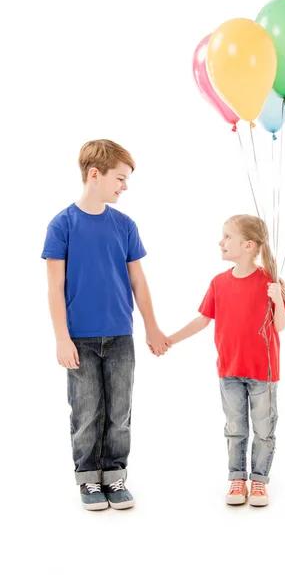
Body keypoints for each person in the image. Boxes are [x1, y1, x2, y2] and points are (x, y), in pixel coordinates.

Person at [41, 139, 170, 510]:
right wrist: (61, 339)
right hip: (79, 339)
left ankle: (114, 475)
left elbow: (138, 282)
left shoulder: (125, 225)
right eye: (121, 178)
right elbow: (54, 288)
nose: (125, 186)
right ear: (94, 175)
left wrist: (152, 327)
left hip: (120, 338)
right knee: (86, 411)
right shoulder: (62, 225)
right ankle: (88, 480)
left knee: (119, 412)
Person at [167, 214, 285, 506]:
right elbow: (202, 320)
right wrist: (171, 338)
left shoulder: (269, 282)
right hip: (230, 371)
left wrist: (276, 299)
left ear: (248, 245)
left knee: (263, 428)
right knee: (235, 428)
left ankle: (259, 481)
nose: (220, 242)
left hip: (264, 373)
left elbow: (280, 325)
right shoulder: (218, 283)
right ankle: (237, 478)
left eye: (227, 237)